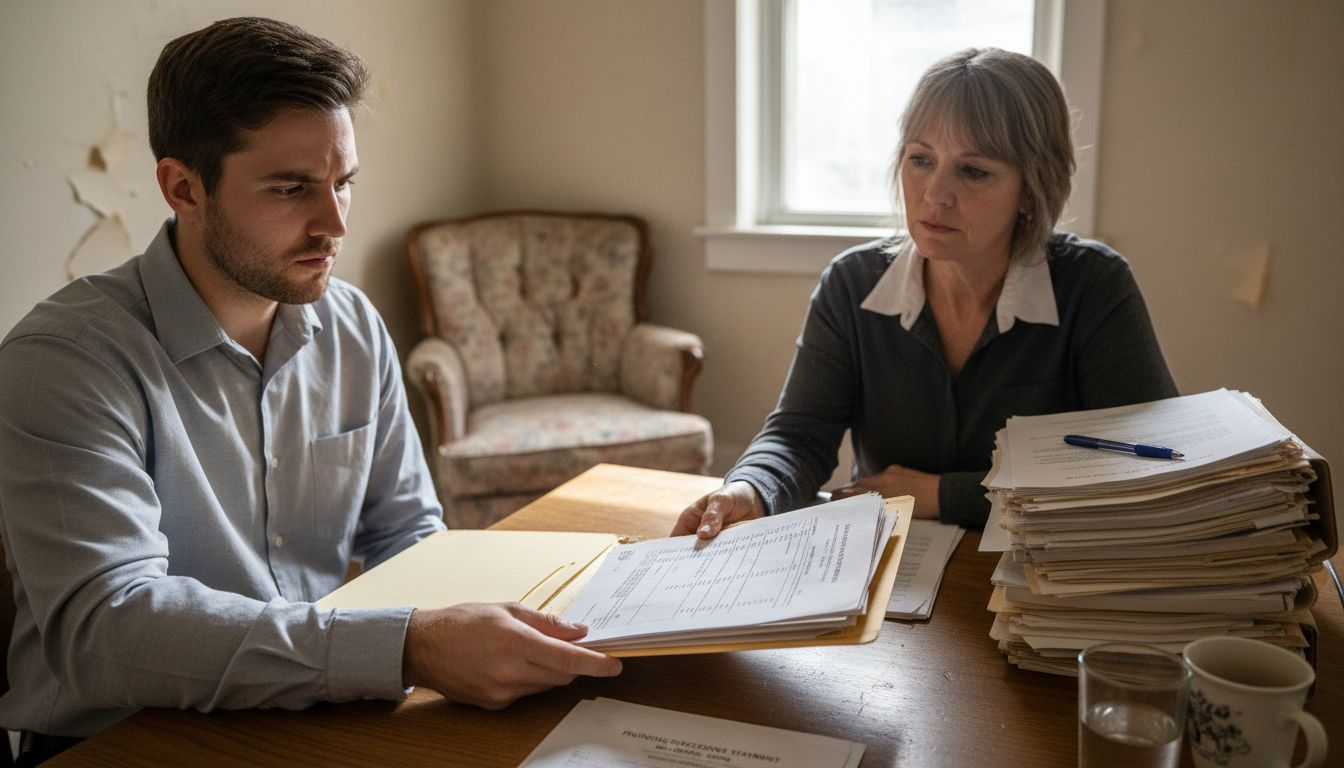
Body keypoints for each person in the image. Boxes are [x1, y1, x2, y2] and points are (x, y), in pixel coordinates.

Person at [0, 16, 619, 762]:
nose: (334, 224)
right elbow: (108, 631)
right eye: (292, 188)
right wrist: (409, 648)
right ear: (183, 188)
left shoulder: (352, 324)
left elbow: (408, 537)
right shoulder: (66, 360)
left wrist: (489, 626)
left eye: (343, 184)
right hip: (121, 736)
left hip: (313, 710)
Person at [675, 47, 1177, 539]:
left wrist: (944, 495)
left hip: (1041, 572)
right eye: (920, 159)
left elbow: (1142, 465)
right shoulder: (853, 284)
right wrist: (749, 488)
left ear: (1030, 190)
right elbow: (798, 435)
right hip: (893, 567)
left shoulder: (1094, 285)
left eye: (973, 170)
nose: (935, 194)